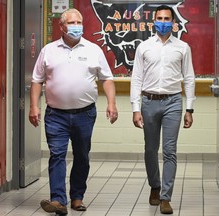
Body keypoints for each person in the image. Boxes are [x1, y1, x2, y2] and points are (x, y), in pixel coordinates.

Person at [29, 8, 118, 215]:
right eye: (72, 22)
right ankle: (58, 200)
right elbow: (36, 81)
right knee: (57, 154)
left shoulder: (93, 50)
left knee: (82, 156)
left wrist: (111, 103)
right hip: (55, 115)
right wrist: (34, 106)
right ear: (61, 26)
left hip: (84, 114)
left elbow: (107, 78)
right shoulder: (48, 50)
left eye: (79, 22)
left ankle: (77, 197)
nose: (77, 26)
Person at [130, 5, 196, 215]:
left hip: (173, 102)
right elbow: (136, 78)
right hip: (149, 102)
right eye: (159, 18)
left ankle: (166, 197)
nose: (163, 22)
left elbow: (189, 78)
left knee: (170, 151)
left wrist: (189, 108)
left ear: (173, 23)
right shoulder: (144, 47)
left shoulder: (183, 47)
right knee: (150, 149)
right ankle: (155, 187)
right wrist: (135, 107)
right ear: (153, 21)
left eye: (167, 18)